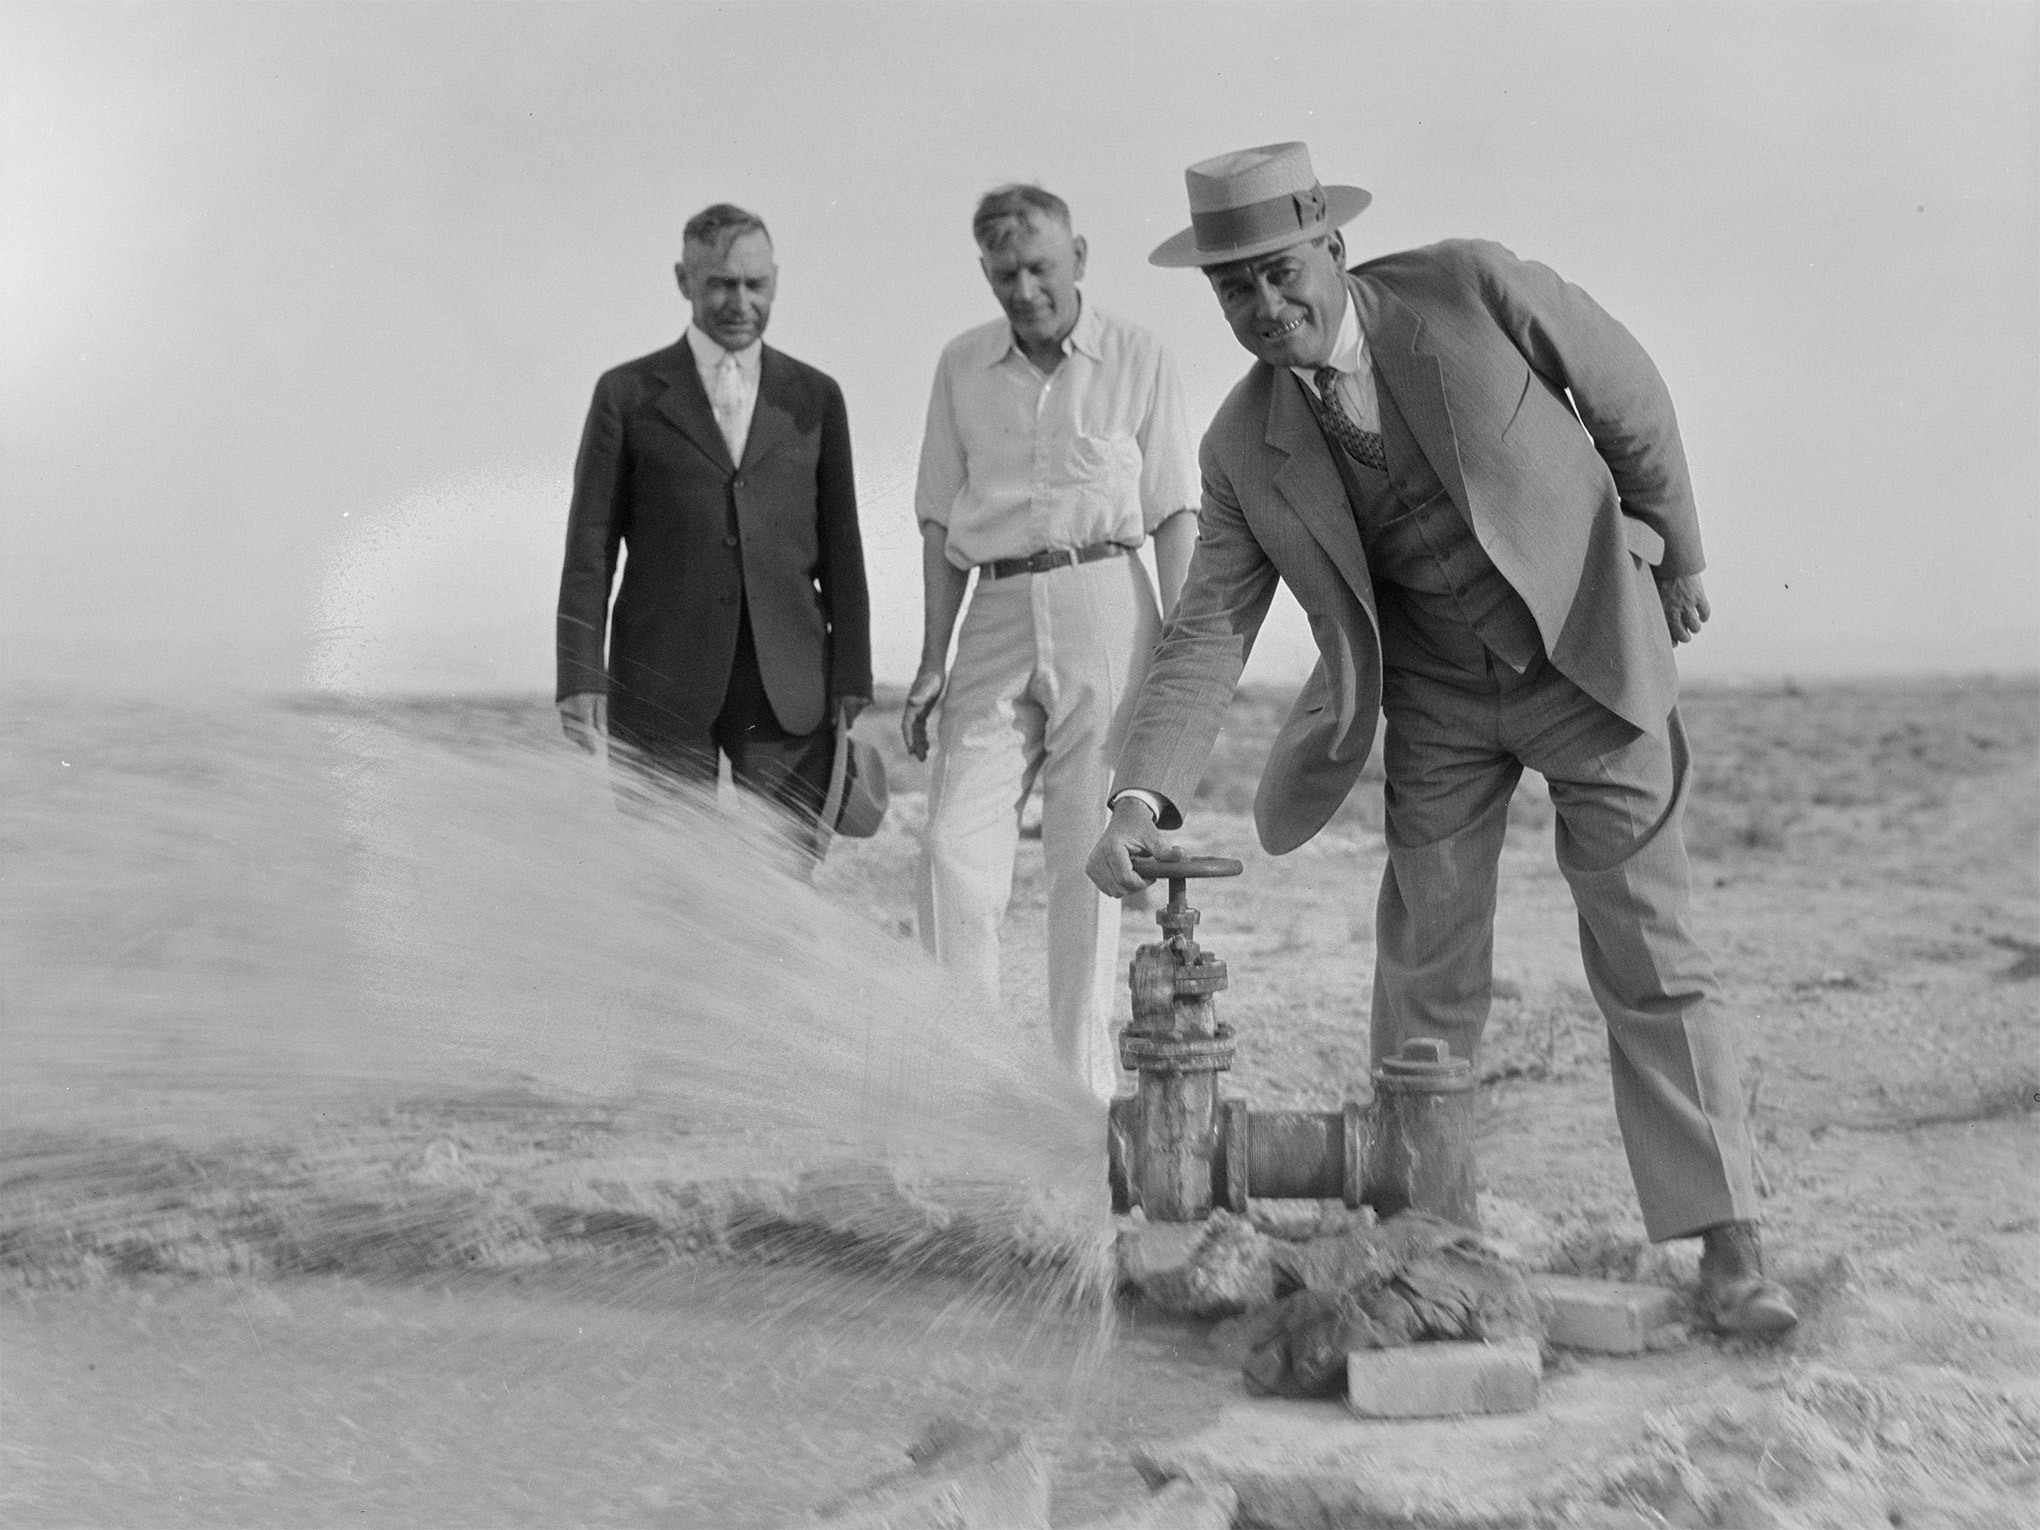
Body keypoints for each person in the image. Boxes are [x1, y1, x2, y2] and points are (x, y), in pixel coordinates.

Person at [1086, 143, 1796, 1333]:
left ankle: (1731, 1247)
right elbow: (1208, 627)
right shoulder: (1237, 445)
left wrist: (1679, 550)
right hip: (1436, 707)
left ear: (1333, 245)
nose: (1266, 309)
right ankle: (1429, 1231)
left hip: (1589, 653)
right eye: (1234, 292)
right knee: (1423, 966)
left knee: (1648, 950)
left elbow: (1626, 396)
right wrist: (1138, 799)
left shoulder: (1469, 288)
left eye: (1279, 274)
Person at [904, 185, 1200, 1102]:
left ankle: (1080, 1099)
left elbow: (1174, 512)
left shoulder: (1138, 357)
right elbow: (937, 520)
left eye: (1039, 266)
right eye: (1004, 273)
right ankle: (971, 1085)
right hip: (992, 608)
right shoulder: (960, 366)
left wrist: (1186, 665)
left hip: (1106, 602)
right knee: (953, 854)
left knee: (1090, 864)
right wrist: (928, 659)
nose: (1024, 288)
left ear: (1078, 255)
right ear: (985, 271)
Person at [556, 204, 871, 864]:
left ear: (776, 280)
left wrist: (852, 675)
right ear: (684, 279)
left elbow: (843, 545)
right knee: (667, 884)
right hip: (659, 679)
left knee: (785, 879)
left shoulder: (815, 396)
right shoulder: (626, 393)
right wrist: (578, 675)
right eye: (721, 283)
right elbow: (590, 547)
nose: (740, 302)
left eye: (755, 284)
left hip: (786, 686)